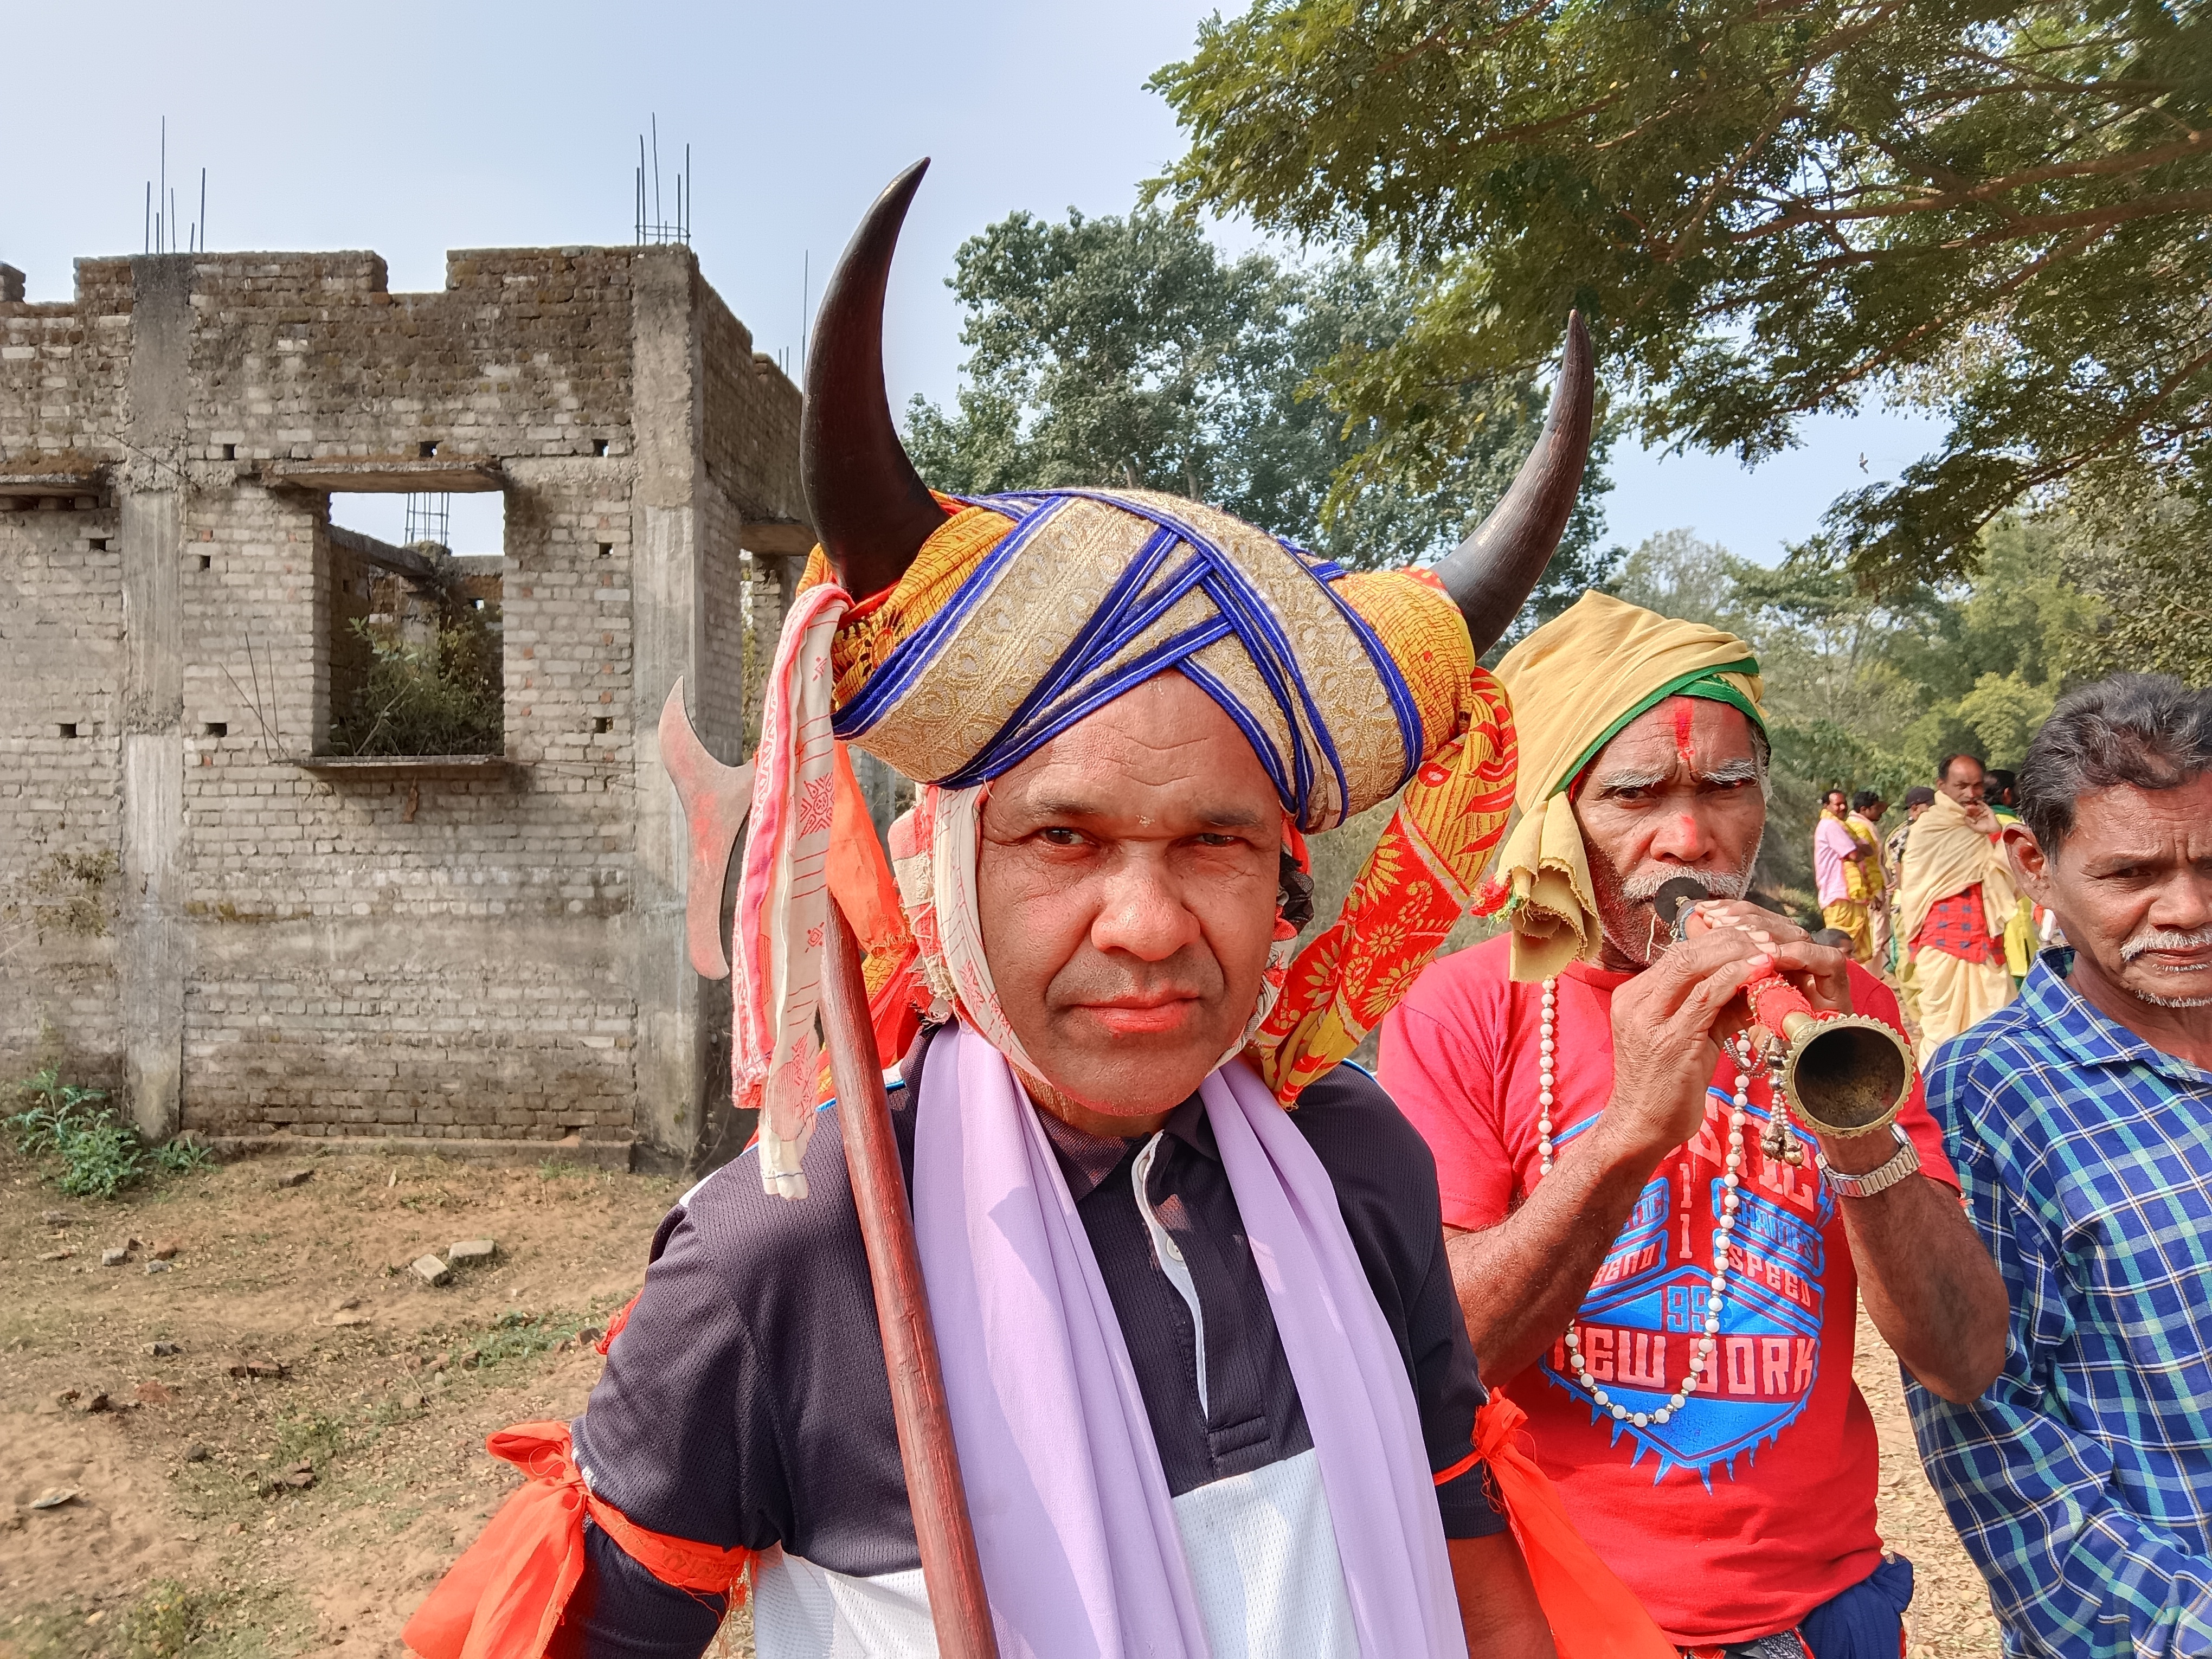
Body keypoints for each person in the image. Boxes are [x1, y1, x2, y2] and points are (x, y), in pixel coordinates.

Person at [401, 164, 1611, 1659]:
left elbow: (1459, 1539)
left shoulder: (1355, 1161)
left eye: (1219, 843)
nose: (1152, 923)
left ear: (1286, 879)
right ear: (946, 873)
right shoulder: (790, 1253)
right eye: (1064, 836)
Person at [1379, 592, 2008, 1657]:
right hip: (1560, 1615)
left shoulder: (1846, 1005)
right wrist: (1631, 1128)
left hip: (1825, 1617)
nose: (1692, 837)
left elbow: (1964, 1356)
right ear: (1558, 817)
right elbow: (1449, 1356)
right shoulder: (1462, 1009)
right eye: (1636, 795)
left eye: (1728, 787)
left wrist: (1852, 1121)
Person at [1905, 674, 2212, 1659]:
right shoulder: (1995, 1096)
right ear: (2034, 865)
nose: (2188, 909)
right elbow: (2001, 1455)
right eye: (2131, 877)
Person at [1895, 754, 2019, 1050]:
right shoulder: (1928, 828)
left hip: (1987, 943)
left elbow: (2015, 881)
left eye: (1977, 786)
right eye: (1961, 785)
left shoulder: (1988, 823)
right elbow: (1915, 889)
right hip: (1942, 944)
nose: (1970, 794)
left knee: (1996, 1026)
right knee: (1944, 1033)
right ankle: (1940, 1092)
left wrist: (1993, 834)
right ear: (1942, 785)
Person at [1814, 789, 1875, 962]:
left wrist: (1858, 848)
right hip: (1839, 893)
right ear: (1827, 806)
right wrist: (1858, 848)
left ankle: (1856, 985)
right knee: (1839, 947)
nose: (1842, 807)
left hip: (1849, 895)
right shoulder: (1830, 825)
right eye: (1837, 804)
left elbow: (1869, 850)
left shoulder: (1843, 827)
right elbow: (1855, 855)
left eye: (1844, 803)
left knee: (1852, 950)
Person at [1847, 792, 1891, 967]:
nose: (1880, 812)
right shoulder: (1859, 828)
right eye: (1876, 808)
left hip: (1875, 886)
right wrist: (1872, 893)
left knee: (1876, 932)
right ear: (1864, 809)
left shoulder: (1863, 826)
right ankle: (1871, 978)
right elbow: (1861, 864)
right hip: (1869, 890)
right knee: (1874, 934)